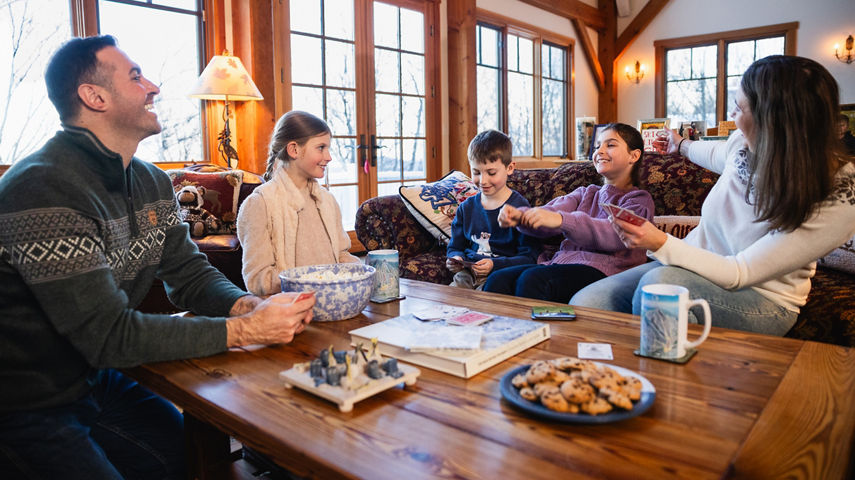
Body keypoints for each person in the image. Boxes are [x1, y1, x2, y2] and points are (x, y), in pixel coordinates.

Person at [0, 35, 316, 479]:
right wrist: (245, 329)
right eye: (135, 77)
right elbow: (109, 336)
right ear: (94, 97)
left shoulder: (151, 182)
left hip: (96, 380)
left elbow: (188, 274)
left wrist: (251, 305)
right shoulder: (44, 187)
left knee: (196, 459)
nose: (153, 87)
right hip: (24, 404)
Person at [571, 55, 855, 336]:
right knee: (585, 305)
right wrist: (679, 144)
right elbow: (711, 153)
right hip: (690, 268)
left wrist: (659, 241)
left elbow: (740, 272)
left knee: (658, 288)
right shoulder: (742, 146)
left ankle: (661, 379)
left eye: (738, 108)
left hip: (761, 298)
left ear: (772, 121)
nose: (732, 116)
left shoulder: (839, 196)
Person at [483, 123, 654, 303]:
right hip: (562, 263)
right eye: (597, 146)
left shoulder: (638, 200)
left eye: (610, 145)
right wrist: (523, 217)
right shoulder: (585, 193)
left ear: (634, 155)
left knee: (533, 280)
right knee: (498, 279)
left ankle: (539, 331)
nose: (600, 151)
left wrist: (561, 220)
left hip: (607, 272)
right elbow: (551, 212)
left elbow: (616, 234)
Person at [445, 130, 540, 289]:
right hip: (467, 273)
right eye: (476, 172)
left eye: (491, 172)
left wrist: (494, 264)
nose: (483, 181)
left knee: (486, 299)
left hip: (501, 275)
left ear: (510, 168)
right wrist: (456, 259)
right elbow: (455, 247)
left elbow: (529, 257)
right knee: (452, 297)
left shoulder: (519, 208)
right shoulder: (466, 209)